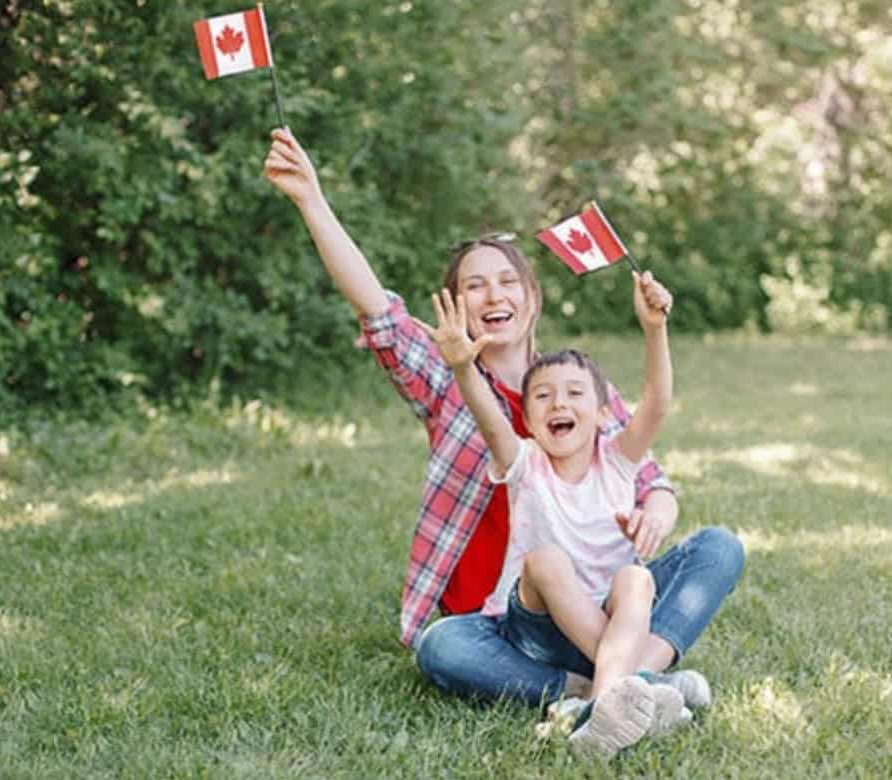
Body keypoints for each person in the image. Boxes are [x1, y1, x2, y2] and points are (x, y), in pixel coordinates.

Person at [262, 126, 745, 711]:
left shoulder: (575, 388)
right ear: (456, 307)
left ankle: (621, 678)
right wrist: (311, 200)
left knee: (717, 548)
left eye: (507, 282)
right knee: (442, 648)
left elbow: (649, 477)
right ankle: (627, 685)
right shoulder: (447, 374)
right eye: (475, 286)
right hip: (504, 621)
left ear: (532, 299)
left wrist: (656, 516)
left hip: (598, 602)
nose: (494, 295)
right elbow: (376, 307)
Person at [426, 273, 688, 757]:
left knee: (645, 575)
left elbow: (656, 406)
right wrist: (463, 368)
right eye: (543, 396)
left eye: (574, 393)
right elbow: (491, 422)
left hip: (613, 619)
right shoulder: (524, 463)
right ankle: (641, 683)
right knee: (443, 642)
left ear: (604, 413)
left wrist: (655, 329)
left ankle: (599, 707)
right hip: (537, 630)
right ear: (527, 420)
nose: (559, 402)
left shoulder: (619, 459)